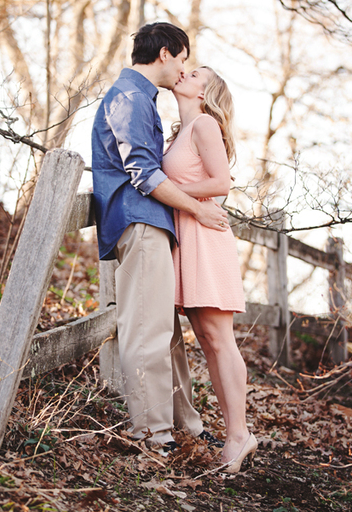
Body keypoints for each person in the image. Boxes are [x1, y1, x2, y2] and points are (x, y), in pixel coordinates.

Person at [91, 22, 229, 454]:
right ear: (166, 53)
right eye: (183, 58)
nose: (183, 68)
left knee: (166, 336)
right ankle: (153, 433)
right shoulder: (130, 98)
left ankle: (184, 421)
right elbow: (144, 175)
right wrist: (197, 208)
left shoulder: (141, 100)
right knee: (146, 333)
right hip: (140, 222)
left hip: (155, 225)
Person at [162, 66, 257, 473]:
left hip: (206, 233)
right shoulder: (178, 132)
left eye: (195, 72)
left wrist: (166, 190)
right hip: (187, 233)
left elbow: (222, 183)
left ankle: (239, 434)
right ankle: (237, 432)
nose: (185, 72)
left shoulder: (204, 123)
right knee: (205, 337)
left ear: (207, 92)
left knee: (219, 339)